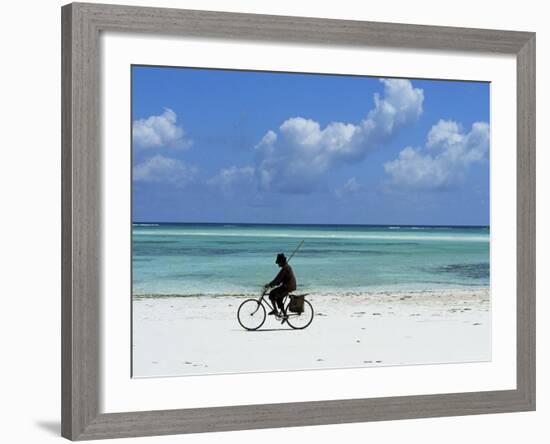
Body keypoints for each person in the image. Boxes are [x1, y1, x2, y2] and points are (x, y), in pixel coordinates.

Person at [264, 253, 297, 317]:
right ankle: (284, 315)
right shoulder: (286, 267)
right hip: (289, 286)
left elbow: (277, 279)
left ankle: (275, 310)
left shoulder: (285, 268)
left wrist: (270, 284)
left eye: (279, 263)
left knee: (272, 294)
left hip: (288, 287)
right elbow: (279, 280)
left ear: (281, 262)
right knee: (279, 299)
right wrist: (272, 284)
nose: (278, 264)